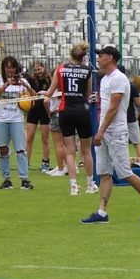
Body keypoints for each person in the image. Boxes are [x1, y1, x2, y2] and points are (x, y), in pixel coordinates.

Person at [81, 46, 140, 224]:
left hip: (116, 131)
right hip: (105, 130)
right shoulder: (105, 79)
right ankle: (102, 212)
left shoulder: (118, 78)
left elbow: (114, 108)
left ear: (110, 58)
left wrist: (100, 131)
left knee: (124, 172)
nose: (98, 59)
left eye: (101, 56)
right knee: (104, 172)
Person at [45, 42, 97, 196]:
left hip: (65, 110)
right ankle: (89, 184)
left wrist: (42, 93)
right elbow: (88, 94)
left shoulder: (60, 69)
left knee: (69, 150)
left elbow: (50, 92)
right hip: (81, 110)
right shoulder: (87, 70)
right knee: (86, 150)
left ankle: (73, 187)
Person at [0, 55, 36, 190]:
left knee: (21, 150)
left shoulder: (20, 81)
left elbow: (35, 96)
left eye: (12, 67)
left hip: (17, 119)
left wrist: (25, 84)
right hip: (0, 118)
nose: (10, 70)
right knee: (3, 149)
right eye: (7, 67)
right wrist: (7, 83)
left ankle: (24, 178)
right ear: (4, 68)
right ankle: (6, 179)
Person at [24, 60, 53, 172]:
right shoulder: (30, 80)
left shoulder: (49, 79)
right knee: (29, 137)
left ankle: (45, 163)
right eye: (35, 70)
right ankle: (26, 163)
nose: (38, 72)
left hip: (45, 110)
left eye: (39, 69)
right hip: (33, 110)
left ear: (44, 68)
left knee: (45, 139)